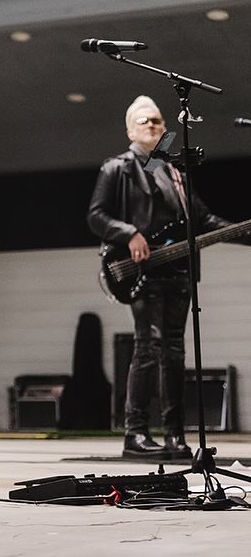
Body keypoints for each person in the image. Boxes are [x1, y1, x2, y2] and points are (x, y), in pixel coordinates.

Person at [87, 95, 230, 460]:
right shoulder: (117, 168)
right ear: (129, 129)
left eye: (158, 121)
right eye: (144, 120)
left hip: (179, 272)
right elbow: (97, 216)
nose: (153, 125)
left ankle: (174, 435)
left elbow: (205, 221)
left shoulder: (172, 173)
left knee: (175, 353)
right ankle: (135, 433)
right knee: (147, 348)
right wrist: (128, 233)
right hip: (142, 272)